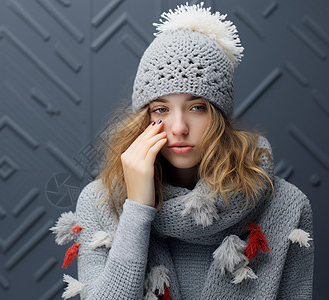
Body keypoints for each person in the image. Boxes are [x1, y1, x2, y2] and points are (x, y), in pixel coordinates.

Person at [51, 3, 314, 299]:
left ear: (219, 115)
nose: (178, 127)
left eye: (197, 107)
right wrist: (137, 208)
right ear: (145, 118)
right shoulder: (102, 203)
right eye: (161, 109)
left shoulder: (286, 206)